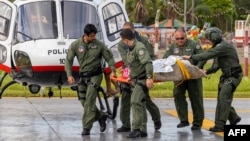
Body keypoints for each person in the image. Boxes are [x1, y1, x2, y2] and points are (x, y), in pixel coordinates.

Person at [182, 27, 242, 132]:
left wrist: (192, 57)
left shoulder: (223, 47)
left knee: (223, 97)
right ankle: (234, 118)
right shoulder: (218, 47)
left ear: (214, 37)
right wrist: (206, 71)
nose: (206, 41)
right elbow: (216, 66)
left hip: (234, 76)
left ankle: (220, 125)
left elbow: (207, 55)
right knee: (222, 98)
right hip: (227, 76)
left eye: (208, 38)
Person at [64, 24, 117, 135]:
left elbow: (110, 58)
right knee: (84, 101)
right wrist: (69, 75)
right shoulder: (75, 45)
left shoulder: (99, 45)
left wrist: (113, 70)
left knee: (89, 101)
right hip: (82, 76)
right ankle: (101, 116)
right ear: (85, 35)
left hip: (96, 76)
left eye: (95, 35)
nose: (94, 38)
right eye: (92, 36)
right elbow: (68, 60)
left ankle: (86, 127)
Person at [116, 22, 161, 133]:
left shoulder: (142, 41)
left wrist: (148, 75)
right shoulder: (122, 44)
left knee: (143, 100)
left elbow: (149, 58)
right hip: (129, 73)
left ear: (133, 31)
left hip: (141, 74)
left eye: (127, 31)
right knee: (127, 99)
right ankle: (126, 124)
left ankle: (152, 121)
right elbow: (126, 59)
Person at [162, 27, 206, 130]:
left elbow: (203, 57)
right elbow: (165, 60)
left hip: (193, 76)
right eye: (177, 39)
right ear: (174, 39)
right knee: (177, 95)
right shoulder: (171, 47)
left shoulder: (194, 45)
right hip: (179, 77)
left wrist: (198, 68)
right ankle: (183, 120)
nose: (180, 41)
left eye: (182, 38)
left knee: (196, 98)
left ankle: (197, 122)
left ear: (186, 36)